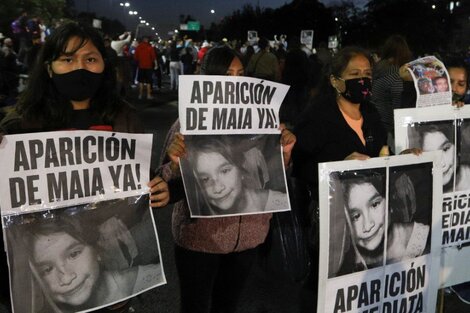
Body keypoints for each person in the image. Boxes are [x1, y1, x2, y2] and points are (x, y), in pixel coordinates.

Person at [0, 22, 169, 312]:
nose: (80, 67)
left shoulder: (124, 118)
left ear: (104, 65)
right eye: (67, 59)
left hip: (112, 295)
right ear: (50, 67)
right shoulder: (18, 127)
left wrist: (159, 189)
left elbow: (141, 182)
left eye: (90, 59)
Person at [159, 45, 295, 313]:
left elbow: (275, 176)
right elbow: (164, 184)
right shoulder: (187, 121)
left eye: (240, 74)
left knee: (227, 305)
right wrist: (174, 164)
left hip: (248, 238)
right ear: (208, 79)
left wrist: (285, 155)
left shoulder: (263, 118)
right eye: (226, 74)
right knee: (195, 306)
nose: (235, 82)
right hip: (200, 241)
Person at [19, 214, 162, 313]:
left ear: (97, 250)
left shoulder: (149, 276)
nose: (66, 278)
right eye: (47, 269)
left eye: (74, 254)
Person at [336, 172, 430, 276]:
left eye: (375, 204)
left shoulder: (424, 239)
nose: (368, 225)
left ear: (390, 201)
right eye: (355, 216)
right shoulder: (346, 260)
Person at [183, 135, 288, 216]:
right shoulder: (203, 217)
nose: (217, 188)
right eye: (205, 179)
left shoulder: (280, 203)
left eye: (224, 171)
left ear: (240, 169)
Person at [371, 35, 413, 149]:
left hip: (375, 120)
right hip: (389, 127)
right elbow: (397, 103)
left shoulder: (378, 68)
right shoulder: (397, 74)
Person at [416, 122, 470, 193]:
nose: (441, 163)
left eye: (445, 149)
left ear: (457, 147)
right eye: (430, 155)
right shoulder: (422, 193)